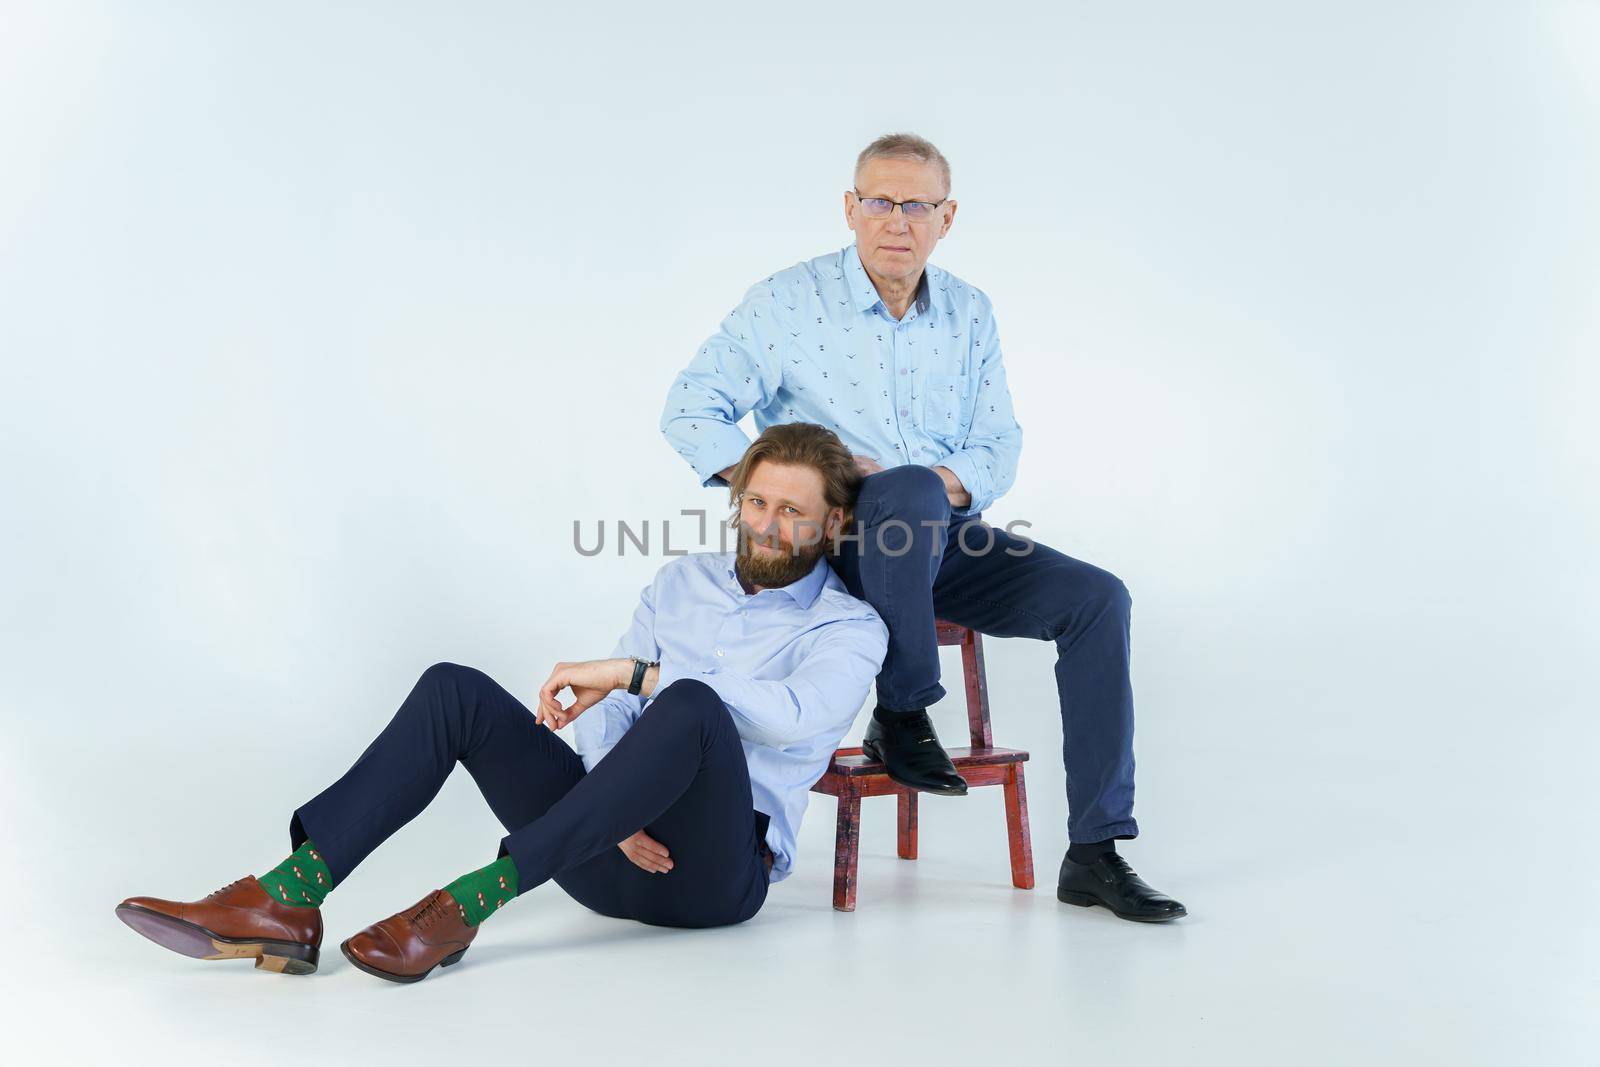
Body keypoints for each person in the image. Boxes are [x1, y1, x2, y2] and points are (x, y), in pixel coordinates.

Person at [115, 423, 889, 981]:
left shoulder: (850, 626)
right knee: (456, 688)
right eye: (757, 502)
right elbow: (612, 720)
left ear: (834, 521)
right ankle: (291, 894)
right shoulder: (681, 583)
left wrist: (634, 674)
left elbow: (794, 715)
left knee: (688, 701)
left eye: (793, 511)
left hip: (714, 875)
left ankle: (464, 905)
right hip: (594, 854)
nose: (769, 524)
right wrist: (611, 808)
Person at [659, 132, 1185, 921]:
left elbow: (998, 445)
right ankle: (902, 711)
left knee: (1097, 598)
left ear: (948, 216)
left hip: (936, 537)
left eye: (917, 205)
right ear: (850, 208)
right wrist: (790, 494)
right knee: (899, 491)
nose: (895, 220)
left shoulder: (969, 312)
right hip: (835, 544)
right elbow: (689, 409)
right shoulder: (786, 302)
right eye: (879, 201)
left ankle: (1096, 850)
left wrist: (932, 488)